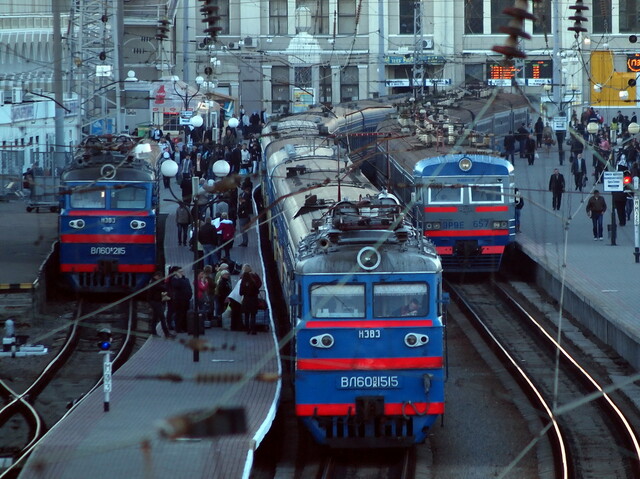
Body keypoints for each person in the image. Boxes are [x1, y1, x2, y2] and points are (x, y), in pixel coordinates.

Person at [147, 271, 174, 338]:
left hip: (154, 302)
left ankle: (153, 332)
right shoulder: (155, 283)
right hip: (156, 302)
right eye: (159, 277)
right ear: (156, 276)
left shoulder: (153, 282)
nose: (160, 278)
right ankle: (166, 334)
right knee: (162, 317)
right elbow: (164, 288)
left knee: (155, 317)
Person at [239, 264, 263, 334]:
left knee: (246, 315)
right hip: (253, 300)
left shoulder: (243, 278)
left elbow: (241, 292)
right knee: (253, 315)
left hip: (246, 300)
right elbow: (258, 287)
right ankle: (253, 330)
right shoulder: (254, 276)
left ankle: (247, 330)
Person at [169, 267, 192, 333]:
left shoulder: (186, 279)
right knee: (179, 314)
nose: (182, 272)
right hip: (179, 300)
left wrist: (190, 294)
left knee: (185, 314)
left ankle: (185, 327)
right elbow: (179, 285)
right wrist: (180, 278)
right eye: (180, 271)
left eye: (182, 271)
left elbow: (188, 286)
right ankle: (178, 328)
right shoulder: (174, 280)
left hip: (186, 299)